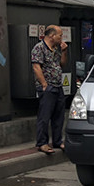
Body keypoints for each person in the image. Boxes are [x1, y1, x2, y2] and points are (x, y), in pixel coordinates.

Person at [31, 25, 68, 154]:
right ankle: (42, 142)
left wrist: (64, 51)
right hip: (48, 86)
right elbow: (36, 67)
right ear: (52, 36)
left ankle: (57, 140)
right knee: (45, 115)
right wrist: (44, 84)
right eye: (60, 35)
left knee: (59, 115)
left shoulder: (56, 49)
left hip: (58, 85)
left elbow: (61, 64)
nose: (61, 38)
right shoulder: (39, 48)